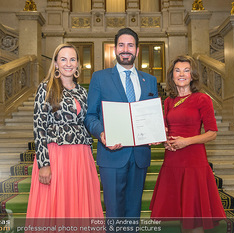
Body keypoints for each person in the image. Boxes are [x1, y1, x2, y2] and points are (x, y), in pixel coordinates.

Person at [84, 28, 158, 219]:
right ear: (115, 49)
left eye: (130, 45)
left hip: (140, 155)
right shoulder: (99, 78)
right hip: (112, 155)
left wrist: (157, 130)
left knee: (134, 213)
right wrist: (101, 133)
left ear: (137, 50)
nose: (126, 49)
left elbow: (152, 115)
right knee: (114, 213)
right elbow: (90, 115)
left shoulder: (149, 81)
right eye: (121, 45)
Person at [149, 55, 226, 233]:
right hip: (172, 161)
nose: (181, 74)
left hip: (194, 161)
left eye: (186, 70)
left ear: (193, 76)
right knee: (179, 213)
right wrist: (166, 141)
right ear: (172, 75)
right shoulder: (168, 101)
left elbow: (212, 133)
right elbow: (165, 130)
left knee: (194, 217)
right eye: (177, 70)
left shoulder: (202, 99)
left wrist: (186, 142)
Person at [26, 43, 103, 218]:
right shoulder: (45, 88)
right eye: (63, 59)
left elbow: (89, 122)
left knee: (79, 206)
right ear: (55, 64)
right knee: (55, 207)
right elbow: (39, 127)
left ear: (77, 65)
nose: (68, 63)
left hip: (81, 157)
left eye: (72, 59)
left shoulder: (83, 92)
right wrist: (43, 164)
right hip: (56, 155)